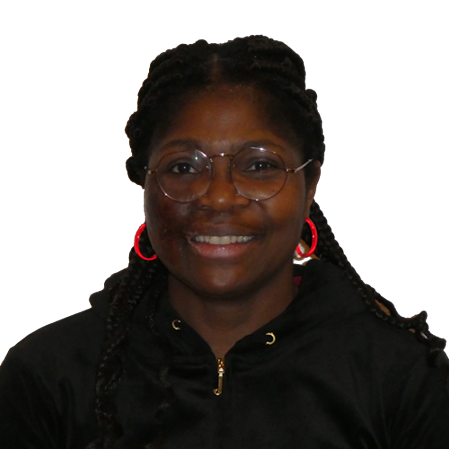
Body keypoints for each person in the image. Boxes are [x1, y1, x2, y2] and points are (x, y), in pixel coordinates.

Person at [0, 35, 448, 449]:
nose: (218, 197)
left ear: (310, 185)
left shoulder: (403, 378)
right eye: (183, 167)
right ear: (145, 183)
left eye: (259, 166)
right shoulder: (50, 377)